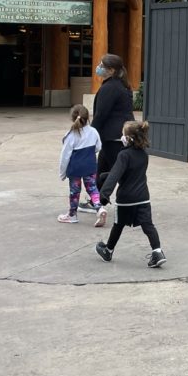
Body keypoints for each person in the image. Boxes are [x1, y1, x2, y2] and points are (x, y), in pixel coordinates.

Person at [94, 120, 166, 268]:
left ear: (128, 138)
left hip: (126, 199)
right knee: (148, 225)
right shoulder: (144, 155)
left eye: (123, 134)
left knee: (118, 225)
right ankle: (158, 252)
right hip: (143, 198)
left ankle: (108, 250)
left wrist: (104, 194)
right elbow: (130, 173)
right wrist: (105, 175)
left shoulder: (123, 155)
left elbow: (116, 174)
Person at [91, 53, 135, 181]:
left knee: (120, 175)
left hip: (113, 138)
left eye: (101, 65)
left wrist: (90, 134)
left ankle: (131, 193)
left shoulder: (110, 87)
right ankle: (98, 194)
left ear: (111, 70)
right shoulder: (121, 85)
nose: (98, 67)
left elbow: (100, 115)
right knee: (102, 173)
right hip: (114, 137)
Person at [57, 104, 102, 224]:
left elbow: (65, 156)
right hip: (90, 166)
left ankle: (72, 215)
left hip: (75, 168)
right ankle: (99, 208)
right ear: (87, 118)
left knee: (75, 192)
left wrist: (62, 173)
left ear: (73, 118)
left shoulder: (71, 135)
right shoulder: (93, 131)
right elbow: (98, 147)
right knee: (92, 188)